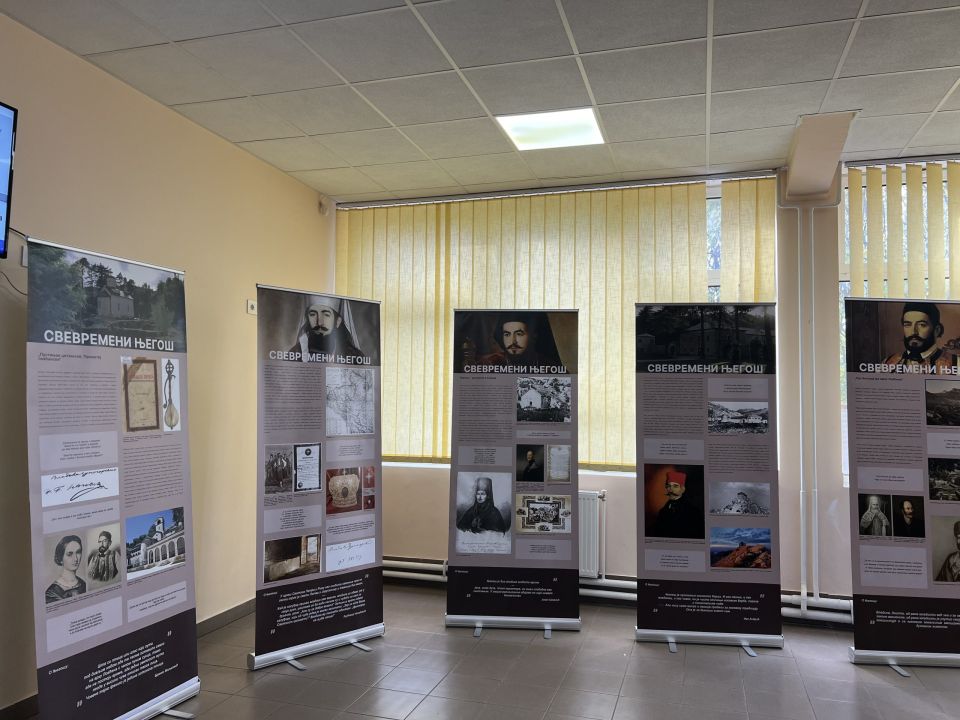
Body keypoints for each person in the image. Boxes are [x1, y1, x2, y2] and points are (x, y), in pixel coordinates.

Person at [883, 302, 959, 370]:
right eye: (908, 324)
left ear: (937, 330)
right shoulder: (888, 362)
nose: (913, 332)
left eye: (922, 325)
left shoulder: (956, 363)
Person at [291, 297, 365, 360]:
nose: (319, 323)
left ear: (338, 321)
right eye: (313, 314)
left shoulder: (354, 357)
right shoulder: (295, 354)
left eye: (326, 315)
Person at [479, 313, 561, 366]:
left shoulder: (551, 368)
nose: (513, 341)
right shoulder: (490, 364)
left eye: (519, 334)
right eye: (507, 334)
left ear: (534, 336)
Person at [649, 470, 704, 539]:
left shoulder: (693, 512)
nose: (671, 490)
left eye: (675, 486)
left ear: (682, 489)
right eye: (669, 486)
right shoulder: (662, 512)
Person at [46, 535, 86, 604]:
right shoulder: (51, 593)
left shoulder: (83, 584)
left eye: (78, 552)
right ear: (61, 558)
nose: (76, 559)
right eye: (69, 554)